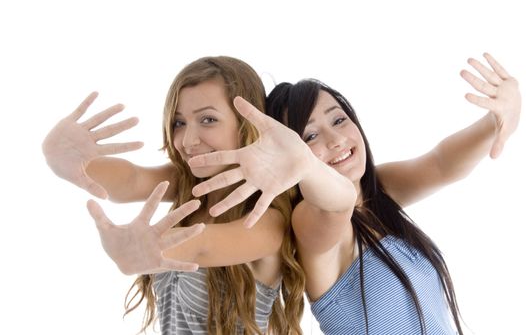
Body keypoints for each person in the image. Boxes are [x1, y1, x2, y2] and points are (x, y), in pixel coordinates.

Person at [187, 53, 521, 334]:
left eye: (339, 119)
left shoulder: (376, 195)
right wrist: (303, 163)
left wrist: (498, 119)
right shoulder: (309, 223)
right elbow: (336, 204)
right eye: (310, 136)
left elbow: (441, 163)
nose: (335, 140)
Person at [42, 56, 305, 334]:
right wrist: (70, 161)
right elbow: (131, 180)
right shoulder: (186, 182)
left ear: (247, 124)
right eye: (179, 123)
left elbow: (200, 244)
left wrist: (143, 249)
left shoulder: (268, 218)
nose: (188, 141)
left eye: (208, 119)